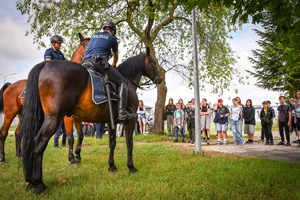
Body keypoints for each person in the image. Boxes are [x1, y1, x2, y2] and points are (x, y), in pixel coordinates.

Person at [82, 22, 134, 121]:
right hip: (98, 63)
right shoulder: (112, 38)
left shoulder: (95, 36)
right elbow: (116, 57)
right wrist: (114, 66)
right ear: (113, 31)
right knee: (123, 82)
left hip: (85, 62)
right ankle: (122, 112)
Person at [44, 35, 67, 148]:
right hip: (50, 76)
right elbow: (48, 64)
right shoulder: (49, 52)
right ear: (53, 43)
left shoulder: (60, 54)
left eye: (60, 43)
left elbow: (66, 63)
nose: (60, 45)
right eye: (58, 43)